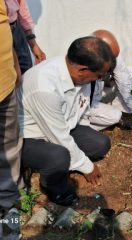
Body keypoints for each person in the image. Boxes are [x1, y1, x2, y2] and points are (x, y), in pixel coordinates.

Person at [17, 36, 116, 206]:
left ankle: (61, 164)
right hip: (26, 137)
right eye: (99, 75)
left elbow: (76, 114)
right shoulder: (45, 87)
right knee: (58, 155)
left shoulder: (79, 76)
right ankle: (53, 187)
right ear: (83, 70)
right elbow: (59, 137)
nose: (100, 79)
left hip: (58, 127)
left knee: (100, 144)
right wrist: (87, 166)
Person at [84, 29, 132, 133]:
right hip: (86, 102)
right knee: (111, 116)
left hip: (103, 87)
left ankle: (121, 115)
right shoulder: (82, 71)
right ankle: (92, 128)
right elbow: (83, 105)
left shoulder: (114, 58)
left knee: (131, 74)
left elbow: (125, 86)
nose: (114, 62)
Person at [0, 0, 22, 236]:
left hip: (5, 83)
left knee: (8, 147)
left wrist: (14, 64)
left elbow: (4, 22)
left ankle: (8, 207)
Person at [5, 0, 46, 73]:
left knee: (26, 68)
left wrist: (33, 44)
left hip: (16, 30)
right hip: (3, 35)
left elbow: (21, 6)